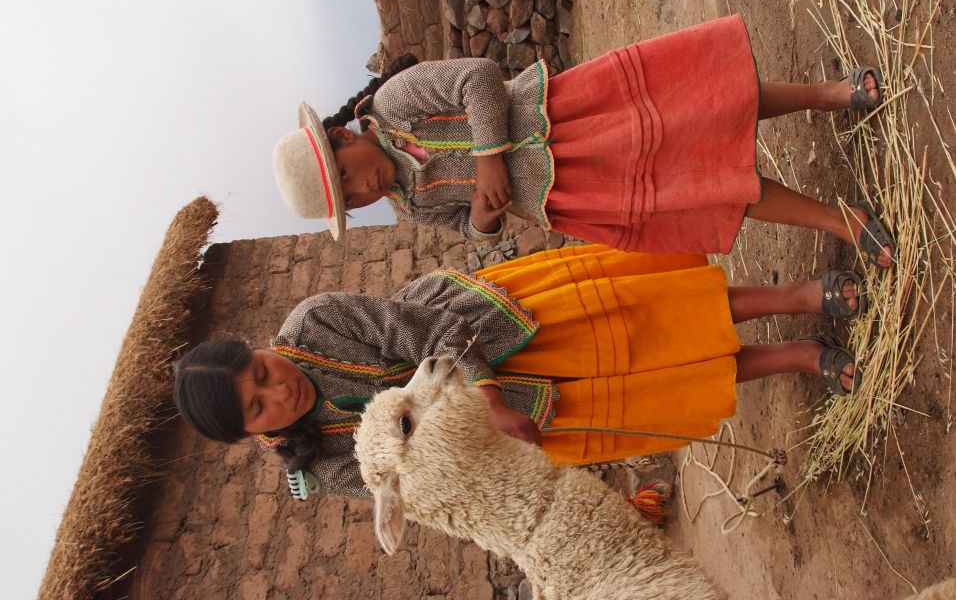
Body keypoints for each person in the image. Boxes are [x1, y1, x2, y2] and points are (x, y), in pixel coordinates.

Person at [174, 245, 865, 499]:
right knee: (662, 386)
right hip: (520, 426)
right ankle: (800, 356)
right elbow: (420, 485)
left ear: (257, 347)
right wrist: (490, 440)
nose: (277, 390)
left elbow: (429, 333)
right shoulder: (323, 467)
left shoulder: (317, 320)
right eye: (259, 407)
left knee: (656, 318)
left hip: (499, 333)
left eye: (260, 372)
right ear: (254, 436)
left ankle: (804, 295)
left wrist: (489, 397)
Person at [272, 14, 895, 268]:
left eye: (347, 174)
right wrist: (486, 221)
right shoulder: (410, 203)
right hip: (577, 191)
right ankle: (842, 222)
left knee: (708, 108)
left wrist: (490, 156)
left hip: (572, 118)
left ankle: (833, 96)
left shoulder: (395, 102)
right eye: (352, 200)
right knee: (706, 188)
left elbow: (478, 78)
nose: (363, 187)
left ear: (340, 136)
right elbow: (467, 228)